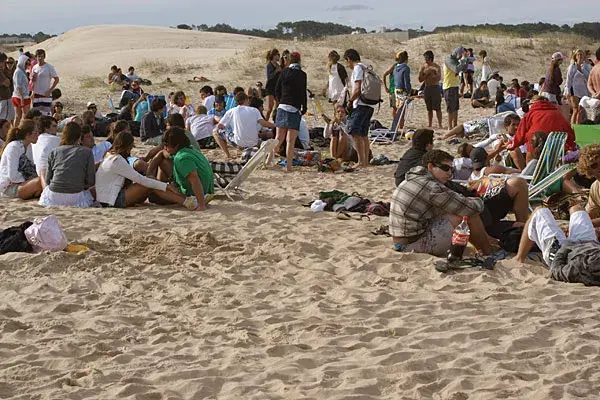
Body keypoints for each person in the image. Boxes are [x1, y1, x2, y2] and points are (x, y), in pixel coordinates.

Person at [389, 149, 492, 257]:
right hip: (410, 244)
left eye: (451, 169)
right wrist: (479, 200)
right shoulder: (432, 187)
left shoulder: (414, 178)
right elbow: (470, 208)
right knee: (469, 216)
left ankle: (487, 241)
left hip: (401, 240)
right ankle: (488, 252)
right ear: (430, 167)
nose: (449, 173)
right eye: (445, 168)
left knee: (453, 210)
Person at [95, 130, 193, 208]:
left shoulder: (109, 155)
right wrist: (167, 186)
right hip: (113, 200)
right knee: (150, 183)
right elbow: (140, 179)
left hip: (106, 198)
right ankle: (185, 201)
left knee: (152, 184)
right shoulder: (117, 160)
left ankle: (183, 199)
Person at [514, 205, 600, 285]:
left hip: (561, 251)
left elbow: (555, 271)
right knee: (577, 209)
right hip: (589, 243)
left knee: (539, 211)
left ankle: (519, 259)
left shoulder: (577, 270)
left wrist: (567, 245)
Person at [146, 127, 214, 210]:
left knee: (154, 193)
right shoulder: (190, 150)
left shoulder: (181, 158)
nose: (165, 148)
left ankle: (186, 201)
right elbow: (161, 154)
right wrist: (149, 173)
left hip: (197, 196)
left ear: (176, 146)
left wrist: (201, 205)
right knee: (163, 162)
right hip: (207, 192)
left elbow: (195, 180)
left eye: (166, 146)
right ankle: (165, 185)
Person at [467, 147, 530, 224]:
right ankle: (522, 222)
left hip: (485, 206)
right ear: (487, 157)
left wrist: (496, 162)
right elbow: (519, 172)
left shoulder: (471, 178)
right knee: (531, 164)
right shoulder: (492, 170)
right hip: (499, 201)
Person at [38, 122, 95, 207]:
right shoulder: (87, 152)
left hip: (54, 195)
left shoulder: (54, 151)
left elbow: (47, 180)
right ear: (79, 137)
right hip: (76, 196)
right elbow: (91, 181)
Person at [508, 96, 576, 159]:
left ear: (533, 103)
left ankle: (527, 170)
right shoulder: (558, 113)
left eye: (529, 104)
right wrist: (570, 145)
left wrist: (512, 144)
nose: (529, 106)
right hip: (555, 147)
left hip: (535, 146)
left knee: (530, 145)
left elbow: (520, 133)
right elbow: (568, 130)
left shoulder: (530, 114)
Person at [214, 92, 275, 159]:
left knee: (215, 131)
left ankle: (228, 155)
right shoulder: (254, 110)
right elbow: (264, 123)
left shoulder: (231, 111)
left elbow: (220, 126)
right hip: (253, 143)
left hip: (239, 143)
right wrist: (276, 125)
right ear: (247, 100)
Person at [274, 51, 308, 172]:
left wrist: (280, 101)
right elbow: (303, 92)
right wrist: (304, 107)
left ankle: (267, 161)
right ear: (299, 61)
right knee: (290, 140)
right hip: (294, 108)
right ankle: (288, 166)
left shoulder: (284, 72)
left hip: (283, 106)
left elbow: (277, 89)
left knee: (278, 138)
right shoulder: (302, 75)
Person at [344, 48, 375, 168]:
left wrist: (350, 101)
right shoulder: (365, 66)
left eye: (346, 61)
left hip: (361, 104)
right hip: (370, 103)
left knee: (354, 131)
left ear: (348, 59)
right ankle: (365, 161)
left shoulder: (357, 68)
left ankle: (361, 161)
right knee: (363, 134)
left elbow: (357, 88)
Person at [0, 119, 42, 199]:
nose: (38, 135)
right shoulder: (14, 147)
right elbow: (13, 176)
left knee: (44, 178)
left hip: (20, 183)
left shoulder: (28, 146)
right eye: (35, 132)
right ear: (27, 134)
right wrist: (29, 180)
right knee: (39, 182)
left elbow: (31, 168)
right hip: (8, 187)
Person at [30, 116, 60, 188]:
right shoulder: (55, 139)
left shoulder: (33, 141)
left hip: (35, 178)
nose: (57, 129)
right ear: (46, 128)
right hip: (48, 177)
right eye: (54, 126)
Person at [443, 47, 466, 130]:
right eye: (460, 55)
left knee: (456, 107)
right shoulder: (448, 60)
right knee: (451, 108)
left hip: (455, 85)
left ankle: (455, 126)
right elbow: (456, 69)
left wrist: (465, 61)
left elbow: (464, 69)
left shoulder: (456, 60)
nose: (460, 57)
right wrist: (463, 60)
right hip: (449, 86)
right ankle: (450, 127)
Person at [418, 50, 442, 129]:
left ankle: (440, 124)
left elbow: (438, 78)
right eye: (425, 58)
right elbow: (420, 79)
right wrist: (426, 74)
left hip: (435, 88)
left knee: (438, 107)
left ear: (430, 58)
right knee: (429, 108)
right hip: (427, 87)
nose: (425, 59)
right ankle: (430, 124)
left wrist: (432, 73)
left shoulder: (436, 67)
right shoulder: (423, 67)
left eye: (426, 58)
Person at [31, 49, 59, 116]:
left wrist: (50, 90)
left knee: (46, 114)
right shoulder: (34, 67)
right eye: (38, 56)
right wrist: (32, 91)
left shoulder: (49, 67)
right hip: (36, 94)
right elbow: (33, 81)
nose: (40, 58)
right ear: (36, 57)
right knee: (36, 114)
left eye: (42, 56)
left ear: (44, 57)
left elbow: (56, 79)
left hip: (45, 94)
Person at [566, 49, 591, 124]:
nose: (580, 56)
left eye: (581, 54)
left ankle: (578, 125)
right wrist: (567, 91)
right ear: (575, 56)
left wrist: (583, 69)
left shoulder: (586, 66)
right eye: (578, 55)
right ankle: (572, 127)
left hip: (583, 90)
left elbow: (588, 77)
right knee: (575, 109)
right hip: (574, 90)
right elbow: (569, 79)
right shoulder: (572, 66)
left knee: (581, 110)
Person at [11, 54, 31, 127]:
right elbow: (19, 86)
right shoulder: (19, 72)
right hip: (22, 96)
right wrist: (22, 97)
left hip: (17, 96)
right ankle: (21, 131)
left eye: (29, 64)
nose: (27, 65)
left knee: (18, 116)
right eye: (26, 63)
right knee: (25, 116)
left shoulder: (20, 71)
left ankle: (15, 131)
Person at [264, 49, 282, 121]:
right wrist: (276, 71)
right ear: (274, 56)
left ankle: (275, 121)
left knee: (277, 107)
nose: (279, 56)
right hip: (270, 88)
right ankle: (265, 123)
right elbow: (269, 77)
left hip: (277, 87)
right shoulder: (269, 65)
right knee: (269, 108)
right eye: (278, 55)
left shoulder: (278, 65)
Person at [0, 53, 15, 122]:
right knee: (4, 121)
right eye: (5, 62)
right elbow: (7, 83)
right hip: (3, 99)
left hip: (4, 99)